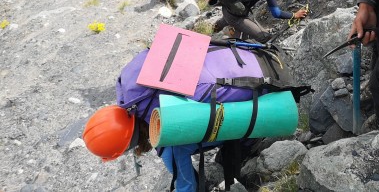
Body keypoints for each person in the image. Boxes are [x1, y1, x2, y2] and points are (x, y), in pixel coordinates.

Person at [83, 43, 294, 191]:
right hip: (254, 56)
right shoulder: (134, 92)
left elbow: (187, 187)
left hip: (271, 90)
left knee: (208, 135)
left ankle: (247, 143)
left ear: (129, 145)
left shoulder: (169, 140)